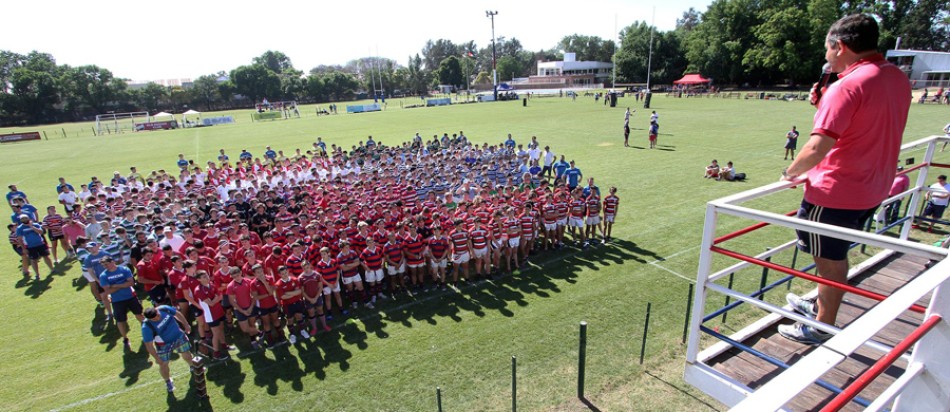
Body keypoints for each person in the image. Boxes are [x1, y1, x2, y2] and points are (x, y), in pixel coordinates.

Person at [780, 14, 911, 345]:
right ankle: (821, 304)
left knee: (831, 262)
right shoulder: (895, 76)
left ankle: (821, 325)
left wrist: (790, 173)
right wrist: (826, 101)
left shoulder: (847, 85)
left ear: (840, 46)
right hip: (873, 187)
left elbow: (816, 146)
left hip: (837, 191)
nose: (825, 55)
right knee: (828, 251)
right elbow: (865, 123)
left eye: (827, 48)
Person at [141, 305, 195, 393]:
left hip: (178, 336)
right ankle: (168, 381)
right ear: (149, 319)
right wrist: (157, 358)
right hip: (163, 345)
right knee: (163, 364)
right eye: (154, 319)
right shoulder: (146, 327)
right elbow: (149, 345)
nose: (158, 318)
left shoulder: (164, 309)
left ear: (156, 310)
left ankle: (192, 366)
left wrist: (186, 325)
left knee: (186, 353)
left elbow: (177, 314)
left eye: (158, 315)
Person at [98, 255, 144, 350]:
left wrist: (115, 285)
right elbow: (108, 291)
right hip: (117, 301)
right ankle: (125, 338)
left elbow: (131, 283)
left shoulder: (124, 269)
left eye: (107, 264)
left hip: (131, 297)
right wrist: (123, 284)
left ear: (112, 262)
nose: (106, 267)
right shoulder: (103, 276)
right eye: (104, 265)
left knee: (139, 315)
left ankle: (147, 331)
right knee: (120, 321)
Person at [16, 214, 55, 280]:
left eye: (25, 218)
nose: (24, 220)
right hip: (30, 246)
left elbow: (41, 232)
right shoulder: (20, 228)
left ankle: (52, 269)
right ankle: (37, 274)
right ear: (21, 220)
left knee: (46, 256)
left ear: (28, 218)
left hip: (40, 244)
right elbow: (20, 239)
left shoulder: (35, 224)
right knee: (33, 260)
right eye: (23, 219)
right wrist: (24, 248)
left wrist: (32, 226)